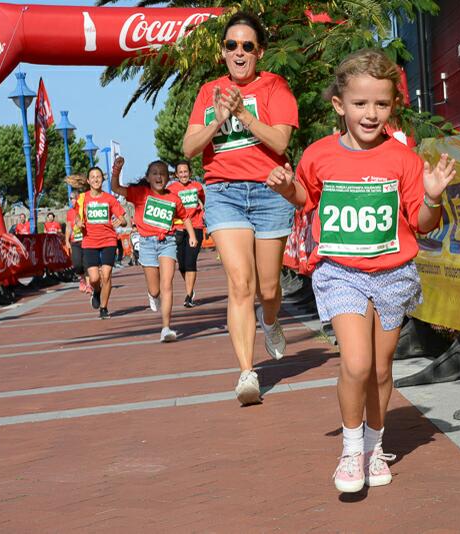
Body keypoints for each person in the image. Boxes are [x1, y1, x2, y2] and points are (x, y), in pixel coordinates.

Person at [266, 49, 456, 493]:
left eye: (381, 104)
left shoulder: (404, 160)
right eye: (360, 104)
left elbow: (424, 224)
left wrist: (432, 197)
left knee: (382, 370)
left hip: (393, 274)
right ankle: (351, 450)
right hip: (340, 272)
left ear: (393, 106)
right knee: (356, 362)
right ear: (340, 105)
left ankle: (375, 445)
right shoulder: (319, 155)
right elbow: (305, 198)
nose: (371, 114)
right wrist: (286, 186)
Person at [183, 11, 298, 405]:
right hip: (224, 193)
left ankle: (271, 320)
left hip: (269, 193)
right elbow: (189, 147)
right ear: (223, 52)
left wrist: (245, 115)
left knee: (268, 288)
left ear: (259, 52)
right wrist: (218, 118)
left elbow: (281, 143)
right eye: (232, 45)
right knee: (240, 283)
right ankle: (247, 373)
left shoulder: (275, 86)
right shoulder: (208, 91)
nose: (239, 52)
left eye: (247, 45)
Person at [111, 156, 197, 342]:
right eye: (155, 174)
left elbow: (186, 217)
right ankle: (152, 295)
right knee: (156, 289)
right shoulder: (140, 193)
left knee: (167, 285)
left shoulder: (174, 198)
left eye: (163, 174)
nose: (159, 177)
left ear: (169, 178)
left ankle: (166, 327)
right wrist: (116, 171)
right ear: (148, 177)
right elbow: (116, 188)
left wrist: (191, 236)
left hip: (168, 241)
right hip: (147, 243)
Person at [76, 167, 127, 319]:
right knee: (94, 279)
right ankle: (96, 291)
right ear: (88, 181)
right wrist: (79, 223)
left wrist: (121, 222)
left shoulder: (110, 199)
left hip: (108, 240)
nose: (96, 179)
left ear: (102, 180)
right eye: (93, 177)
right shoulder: (82, 198)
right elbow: (77, 218)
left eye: (98, 176)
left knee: (106, 275)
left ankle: (104, 308)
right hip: (90, 241)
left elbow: (123, 219)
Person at [168, 160, 205, 307]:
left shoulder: (197, 186)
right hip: (178, 229)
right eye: (180, 172)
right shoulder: (171, 188)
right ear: (176, 174)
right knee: (182, 265)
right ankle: (190, 288)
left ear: (190, 173)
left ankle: (189, 295)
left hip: (195, 227)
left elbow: (202, 200)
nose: (183, 174)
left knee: (190, 262)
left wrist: (201, 211)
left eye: (186, 171)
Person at [65, 188, 92, 294]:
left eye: (73, 198)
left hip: (86, 240)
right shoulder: (70, 212)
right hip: (75, 241)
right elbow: (68, 226)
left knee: (87, 264)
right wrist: (66, 240)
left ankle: (89, 284)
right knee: (77, 264)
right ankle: (82, 279)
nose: (71, 200)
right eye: (70, 198)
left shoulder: (84, 210)